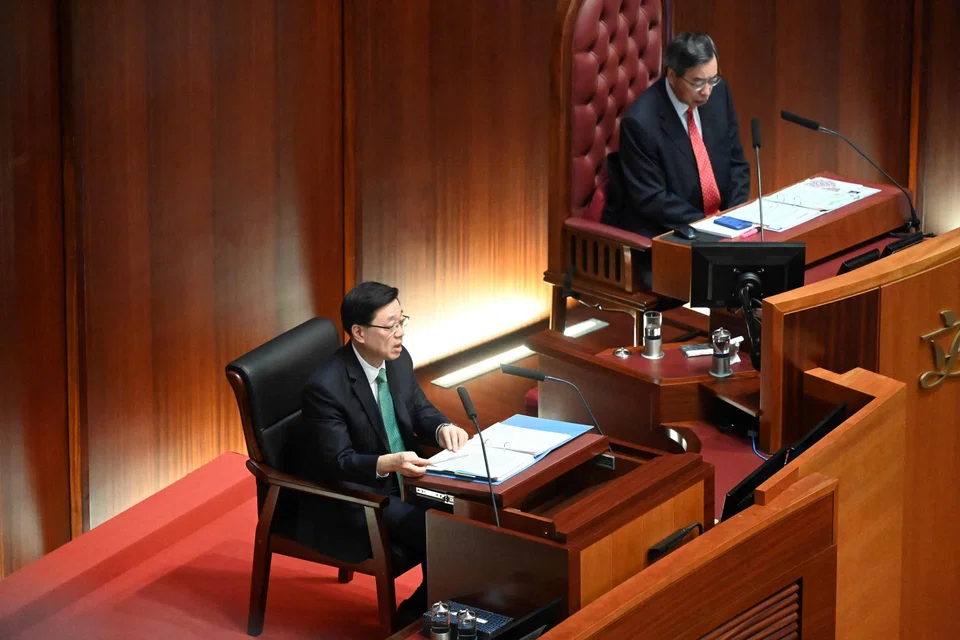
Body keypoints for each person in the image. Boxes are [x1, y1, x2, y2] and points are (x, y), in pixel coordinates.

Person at [299, 281, 469, 627]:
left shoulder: (397, 358)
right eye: (391, 325)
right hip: (360, 495)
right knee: (439, 533)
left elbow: (418, 407)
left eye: (402, 320)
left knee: (472, 514)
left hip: (408, 476)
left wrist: (441, 428)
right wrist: (387, 463)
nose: (400, 333)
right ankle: (412, 618)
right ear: (358, 332)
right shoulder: (326, 388)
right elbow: (338, 462)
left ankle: (446, 607)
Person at [603, 32, 750, 241]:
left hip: (723, 226)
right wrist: (710, 227)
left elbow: (737, 164)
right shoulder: (640, 123)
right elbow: (652, 198)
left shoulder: (720, 94)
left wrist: (732, 217)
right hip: (670, 232)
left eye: (712, 79)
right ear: (672, 76)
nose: (707, 91)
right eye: (698, 82)